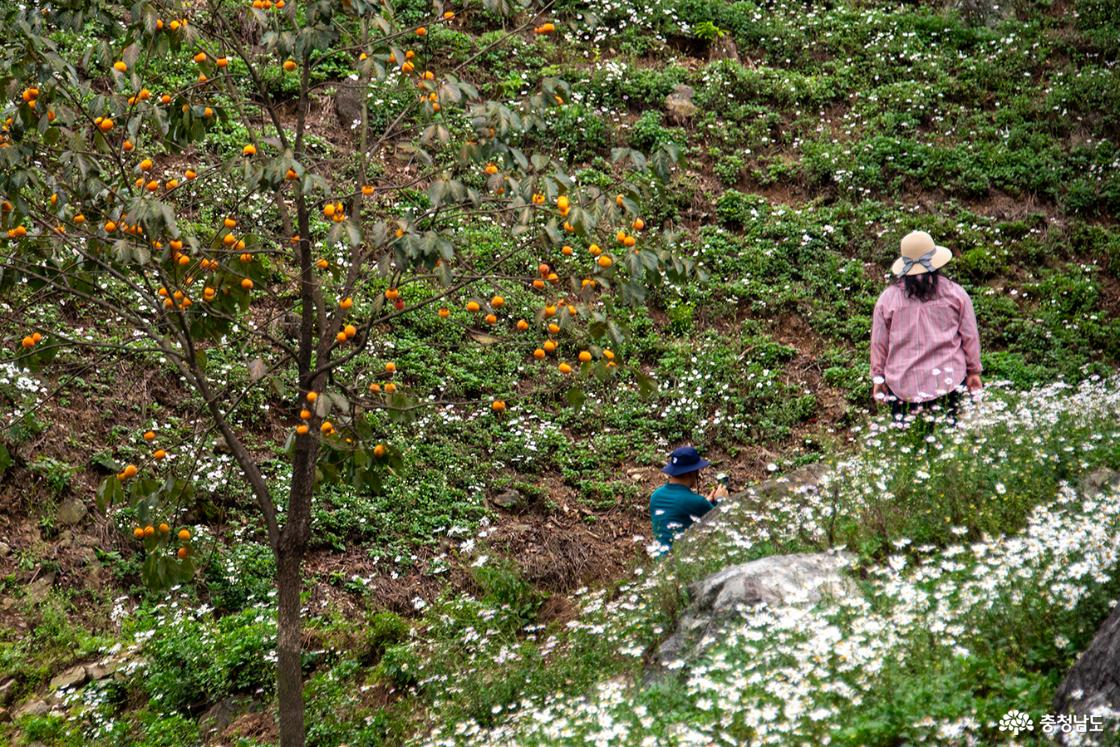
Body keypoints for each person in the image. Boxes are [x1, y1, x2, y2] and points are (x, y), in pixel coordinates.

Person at [870, 230, 983, 425]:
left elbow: (879, 344)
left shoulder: (887, 300)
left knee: (908, 449)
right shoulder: (956, 294)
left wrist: (878, 379)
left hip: (902, 390)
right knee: (949, 447)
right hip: (949, 384)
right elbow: (970, 336)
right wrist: (974, 372)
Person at [650, 446, 727, 554]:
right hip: (681, 562)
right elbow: (724, 521)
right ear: (689, 472)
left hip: (660, 563)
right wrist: (721, 499)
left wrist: (706, 503)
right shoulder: (697, 502)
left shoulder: (655, 496)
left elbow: (679, 513)